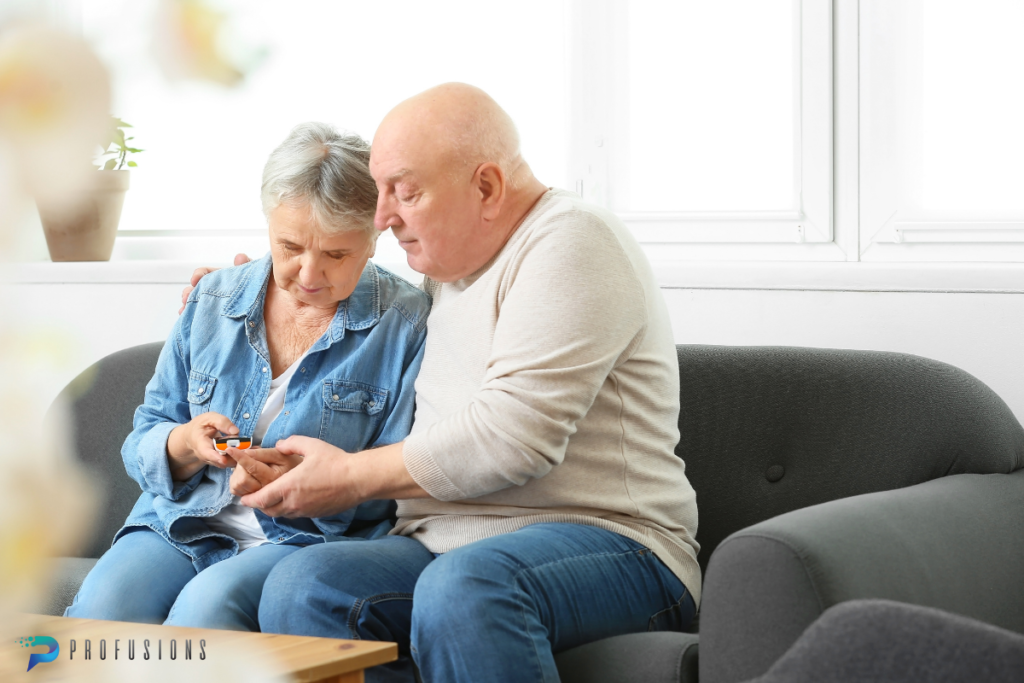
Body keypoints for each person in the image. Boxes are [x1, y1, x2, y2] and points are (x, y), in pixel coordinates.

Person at [189, 83, 700, 682]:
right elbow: (347, 293)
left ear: (486, 187)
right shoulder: (444, 274)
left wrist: (350, 478)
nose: (383, 217)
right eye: (380, 192)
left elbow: (512, 440)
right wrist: (254, 291)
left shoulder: (571, 241)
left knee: (466, 588)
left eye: (405, 193)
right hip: (440, 541)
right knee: (306, 585)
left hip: (613, 546)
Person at [65, 122, 430, 630]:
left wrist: (309, 485)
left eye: (336, 254)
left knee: (206, 610)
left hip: (305, 539)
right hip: (182, 521)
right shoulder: (214, 299)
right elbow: (147, 430)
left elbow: (397, 482)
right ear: (267, 225)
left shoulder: (405, 324)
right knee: (103, 607)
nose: (307, 274)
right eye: (290, 246)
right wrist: (185, 444)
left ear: (374, 237)